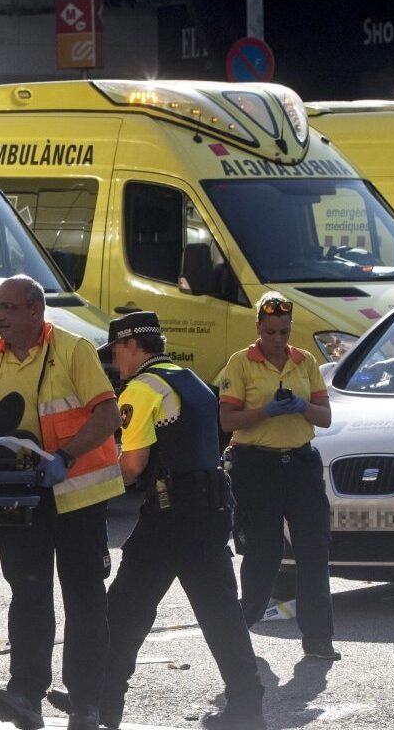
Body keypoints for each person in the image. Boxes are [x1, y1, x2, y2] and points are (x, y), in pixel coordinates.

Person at [0, 276, 123, 730]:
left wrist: (65, 456)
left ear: (36, 310)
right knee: (28, 594)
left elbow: (107, 415)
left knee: (84, 599)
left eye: (9, 307)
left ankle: (87, 702)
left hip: (78, 495)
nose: (0, 317)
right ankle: (26, 694)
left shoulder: (74, 350)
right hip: (20, 497)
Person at [95, 312, 267, 730]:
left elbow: (132, 466)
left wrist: (85, 486)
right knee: (220, 611)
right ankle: (247, 704)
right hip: (211, 511)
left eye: (116, 352)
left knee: (126, 605)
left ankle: (102, 702)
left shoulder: (142, 388)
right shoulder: (194, 382)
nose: (115, 363)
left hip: (171, 514)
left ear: (134, 347)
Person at [217, 292, 339, 662]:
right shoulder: (240, 364)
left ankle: (318, 639)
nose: (277, 340)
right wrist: (266, 411)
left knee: (314, 551)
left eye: (284, 332)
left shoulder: (305, 361)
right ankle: (241, 627)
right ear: (258, 328)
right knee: (263, 552)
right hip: (258, 466)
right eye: (270, 332)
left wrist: (303, 406)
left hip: (301, 464)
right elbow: (227, 422)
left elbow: (326, 416)